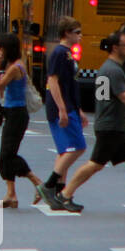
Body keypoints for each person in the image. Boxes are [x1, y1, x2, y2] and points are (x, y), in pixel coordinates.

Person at [56, 30, 125, 213]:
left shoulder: (105, 69)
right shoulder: (114, 71)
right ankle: (64, 195)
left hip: (114, 125)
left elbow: (102, 98)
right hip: (111, 127)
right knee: (95, 164)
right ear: (115, 48)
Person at [0, 35, 46, 208]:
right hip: (12, 113)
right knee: (6, 156)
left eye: (1, 48)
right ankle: (11, 194)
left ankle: (37, 182)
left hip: (17, 114)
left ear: (8, 49)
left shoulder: (15, 67)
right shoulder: (13, 65)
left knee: (7, 155)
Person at [39, 18, 87, 207]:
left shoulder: (67, 53)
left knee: (64, 151)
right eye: (77, 32)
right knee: (78, 147)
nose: (80, 36)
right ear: (66, 33)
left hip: (69, 105)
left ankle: (60, 194)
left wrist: (79, 109)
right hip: (62, 107)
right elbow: (53, 81)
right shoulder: (60, 52)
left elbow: (70, 85)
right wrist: (62, 109)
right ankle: (50, 185)